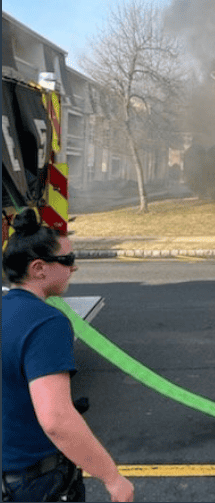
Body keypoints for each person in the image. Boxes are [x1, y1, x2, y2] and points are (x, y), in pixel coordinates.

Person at [2, 208, 134, 503]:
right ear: (39, 269)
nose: (74, 268)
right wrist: (112, 478)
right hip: (35, 483)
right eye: (67, 260)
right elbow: (56, 419)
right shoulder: (46, 322)